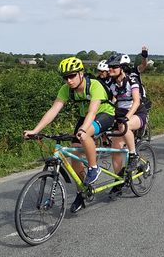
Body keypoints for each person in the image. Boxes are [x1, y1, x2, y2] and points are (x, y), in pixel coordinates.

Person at [23, 57, 115, 213]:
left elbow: (93, 111)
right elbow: (53, 110)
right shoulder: (66, 89)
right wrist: (35, 130)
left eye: (72, 76)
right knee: (74, 152)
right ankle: (81, 192)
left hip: (104, 114)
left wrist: (84, 130)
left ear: (81, 73)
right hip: (85, 117)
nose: (69, 80)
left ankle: (94, 168)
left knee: (84, 136)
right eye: (65, 77)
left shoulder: (94, 85)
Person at [106, 53, 148, 196]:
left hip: (137, 113)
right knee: (115, 148)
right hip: (120, 113)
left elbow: (136, 101)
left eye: (114, 67)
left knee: (125, 126)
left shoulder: (132, 80)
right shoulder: (111, 84)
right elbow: (112, 101)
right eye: (110, 67)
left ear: (122, 68)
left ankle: (133, 155)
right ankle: (119, 181)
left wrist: (127, 117)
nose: (110, 69)